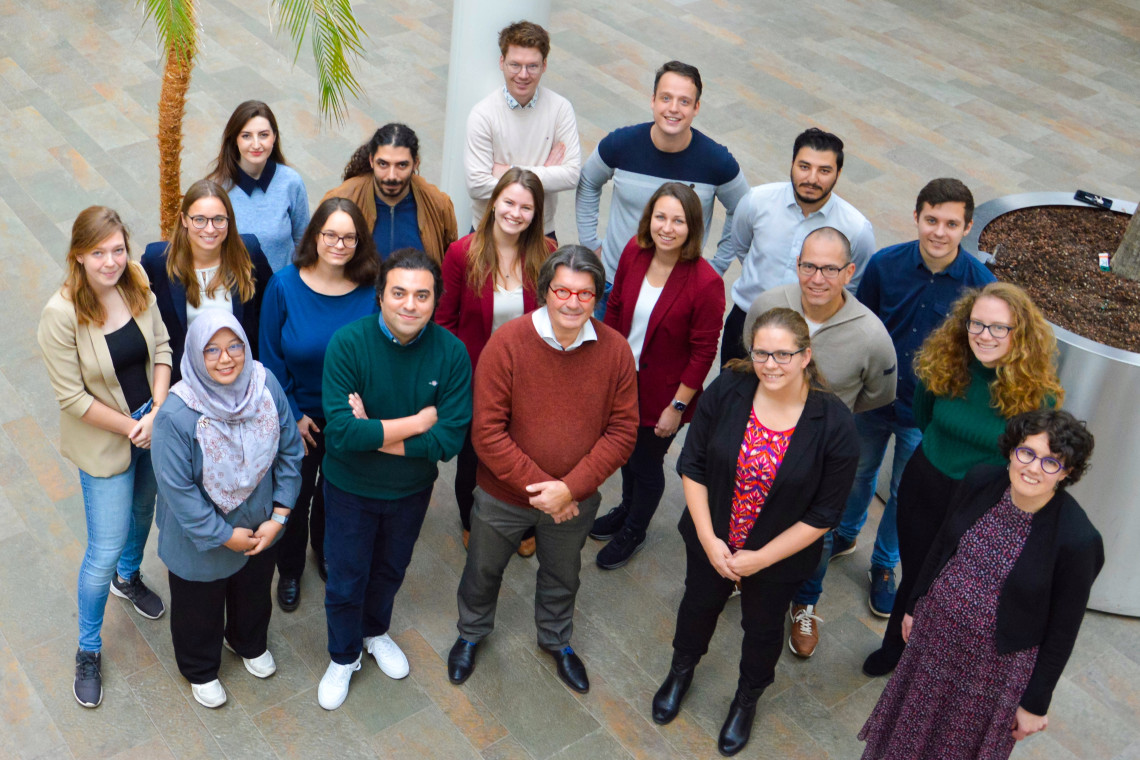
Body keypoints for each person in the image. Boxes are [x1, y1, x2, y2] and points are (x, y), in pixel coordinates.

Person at [651, 308, 858, 756]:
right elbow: (693, 465)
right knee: (698, 605)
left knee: (762, 630)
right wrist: (709, 541)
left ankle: (747, 700)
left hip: (778, 559)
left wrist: (761, 559)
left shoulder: (835, 423)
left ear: (806, 356)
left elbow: (825, 513)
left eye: (783, 354)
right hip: (712, 539)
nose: (771, 364)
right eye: (762, 352)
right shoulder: (728, 389)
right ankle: (681, 671)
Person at [860, 410, 1103, 759]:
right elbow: (942, 546)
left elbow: (1063, 631)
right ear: (1012, 451)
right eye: (1027, 453)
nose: (1034, 468)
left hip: (993, 672)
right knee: (904, 736)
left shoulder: (1078, 540)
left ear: (1066, 473)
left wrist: (1035, 703)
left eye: (1052, 462)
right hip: (935, 638)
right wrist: (915, 605)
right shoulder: (980, 481)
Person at [448, 246, 637, 694]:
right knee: (483, 568)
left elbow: (623, 432)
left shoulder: (615, 351)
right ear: (545, 292)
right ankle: (471, 633)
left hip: (575, 500)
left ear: (597, 297)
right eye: (563, 290)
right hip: (502, 496)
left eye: (585, 293)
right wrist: (548, 491)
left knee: (562, 573)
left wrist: (570, 489)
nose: (573, 303)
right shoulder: (508, 343)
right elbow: (487, 432)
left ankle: (556, 640)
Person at [862, 282, 1065, 677]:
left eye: (998, 328)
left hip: (982, 501)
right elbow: (925, 418)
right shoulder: (945, 364)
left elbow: (1032, 463)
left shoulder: (1038, 396)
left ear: (1019, 333)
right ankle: (894, 648)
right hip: (927, 483)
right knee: (917, 572)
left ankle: (930, 659)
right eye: (977, 324)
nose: (984, 336)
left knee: (953, 585)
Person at [828, 178, 995, 632]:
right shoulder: (884, 265)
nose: (939, 232)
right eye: (932, 220)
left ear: (967, 227)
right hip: (873, 400)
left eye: (951, 223)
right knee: (857, 473)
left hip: (928, 414)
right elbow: (862, 324)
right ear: (917, 216)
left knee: (905, 492)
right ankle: (845, 533)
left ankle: (884, 562)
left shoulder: (982, 287)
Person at [317, 248, 471, 710]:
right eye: (399, 292)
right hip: (349, 489)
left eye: (421, 295)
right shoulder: (348, 343)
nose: (410, 304)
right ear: (380, 296)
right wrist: (419, 421)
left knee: (389, 569)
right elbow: (342, 434)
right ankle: (343, 656)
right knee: (345, 577)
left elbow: (450, 439)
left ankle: (374, 631)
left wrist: (378, 433)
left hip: (409, 491)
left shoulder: (452, 354)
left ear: (436, 301)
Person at [37, 206, 172, 708]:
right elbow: (71, 398)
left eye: (119, 249)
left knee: (144, 512)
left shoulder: (135, 279)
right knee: (104, 546)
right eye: (100, 253)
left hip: (151, 423)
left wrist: (157, 411)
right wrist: (132, 427)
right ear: (78, 255)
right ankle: (88, 648)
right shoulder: (60, 314)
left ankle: (129, 577)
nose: (112, 261)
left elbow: (162, 346)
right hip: (107, 440)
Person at [741, 226, 896, 657]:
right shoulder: (769, 305)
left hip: (821, 458)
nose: (817, 278)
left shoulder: (871, 335)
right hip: (762, 440)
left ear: (849, 271)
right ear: (797, 265)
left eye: (830, 268)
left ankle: (805, 604)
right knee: (752, 509)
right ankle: (743, 572)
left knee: (818, 534)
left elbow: (875, 396)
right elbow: (750, 356)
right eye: (809, 265)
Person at [151, 313, 303, 708]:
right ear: (196, 356)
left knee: (254, 592)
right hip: (199, 536)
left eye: (234, 345)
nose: (225, 359)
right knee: (198, 606)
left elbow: (289, 450)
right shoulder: (175, 415)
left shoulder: (265, 385)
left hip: (260, 523)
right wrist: (223, 535)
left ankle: (246, 642)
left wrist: (280, 517)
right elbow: (177, 490)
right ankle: (200, 668)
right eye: (212, 350)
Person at [589, 182, 724, 568]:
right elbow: (613, 308)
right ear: (650, 219)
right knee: (626, 455)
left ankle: (635, 528)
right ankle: (626, 508)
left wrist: (677, 406)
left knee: (646, 464)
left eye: (678, 220)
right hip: (622, 379)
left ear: (692, 226)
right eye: (661, 217)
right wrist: (604, 364)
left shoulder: (706, 283)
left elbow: (703, 353)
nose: (667, 228)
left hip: (664, 395)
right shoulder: (635, 251)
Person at [259, 198, 380, 611]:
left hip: (350, 417)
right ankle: (289, 568)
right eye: (331, 234)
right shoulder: (284, 286)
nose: (340, 244)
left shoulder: (371, 289)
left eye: (350, 237)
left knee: (336, 494)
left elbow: (378, 352)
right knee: (293, 496)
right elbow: (269, 358)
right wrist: (292, 414)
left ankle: (323, 553)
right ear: (315, 235)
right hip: (299, 417)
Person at [435, 169, 556, 553]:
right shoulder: (461, 253)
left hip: (529, 377)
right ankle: (469, 519)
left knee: (525, 451)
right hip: (473, 375)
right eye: (509, 202)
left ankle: (522, 525)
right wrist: (457, 377)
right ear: (493, 203)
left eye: (526, 207)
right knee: (473, 455)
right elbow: (444, 322)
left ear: (537, 213)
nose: (515, 213)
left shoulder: (548, 255)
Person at [575, 60, 748, 316]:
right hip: (614, 284)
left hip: (678, 292)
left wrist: (718, 265)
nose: (674, 109)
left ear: (697, 107)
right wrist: (591, 244)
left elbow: (743, 209)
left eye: (684, 101)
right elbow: (588, 181)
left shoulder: (716, 161)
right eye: (666, 98)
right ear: (653, 100)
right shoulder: (620, 145)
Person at [713, 128, 876, 365]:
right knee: (731, 398)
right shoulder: (757, 201)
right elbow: (742, 246)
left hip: (810, 338)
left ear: (838, 174)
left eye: (824, 170)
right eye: (804, 166)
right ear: (792, 164)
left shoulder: (856, 229)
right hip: (746, 325)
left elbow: (854, 284)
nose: (812, 178)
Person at [142, 179, 275, 383]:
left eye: (219, 219)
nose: (210, 229)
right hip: (184, 380)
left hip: (240, 377)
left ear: (229, 221)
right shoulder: (157, 260)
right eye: (200, 220)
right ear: (184, 220)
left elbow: (271, 311)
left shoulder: (249, 252)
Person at [464, 20, 580, 239]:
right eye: (515, 64)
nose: (523, 74)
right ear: (502, 62)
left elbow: (571, 175)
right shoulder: (483, 114)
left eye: (532, 66)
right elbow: (477, 185)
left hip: (540, 233)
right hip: (489, 231)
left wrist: (508, 170)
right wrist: (543, 174)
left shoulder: (560, 109)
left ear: (544, 65)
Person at [321, 123, 458, 262]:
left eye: (402, 165)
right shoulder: (342, 198)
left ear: (415, 163)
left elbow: (449, 264)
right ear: (371, 161)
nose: (391, 176)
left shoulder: (438, 204)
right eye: (383, 164)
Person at [206, 100, 311, 272]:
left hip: (281, 290)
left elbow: (304, 242)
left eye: (263, 135)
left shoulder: (292, 182)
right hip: (235, 290)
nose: (256, 144)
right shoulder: (217, 188)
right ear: (235, 140)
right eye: (246, 136)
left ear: (274, 137)